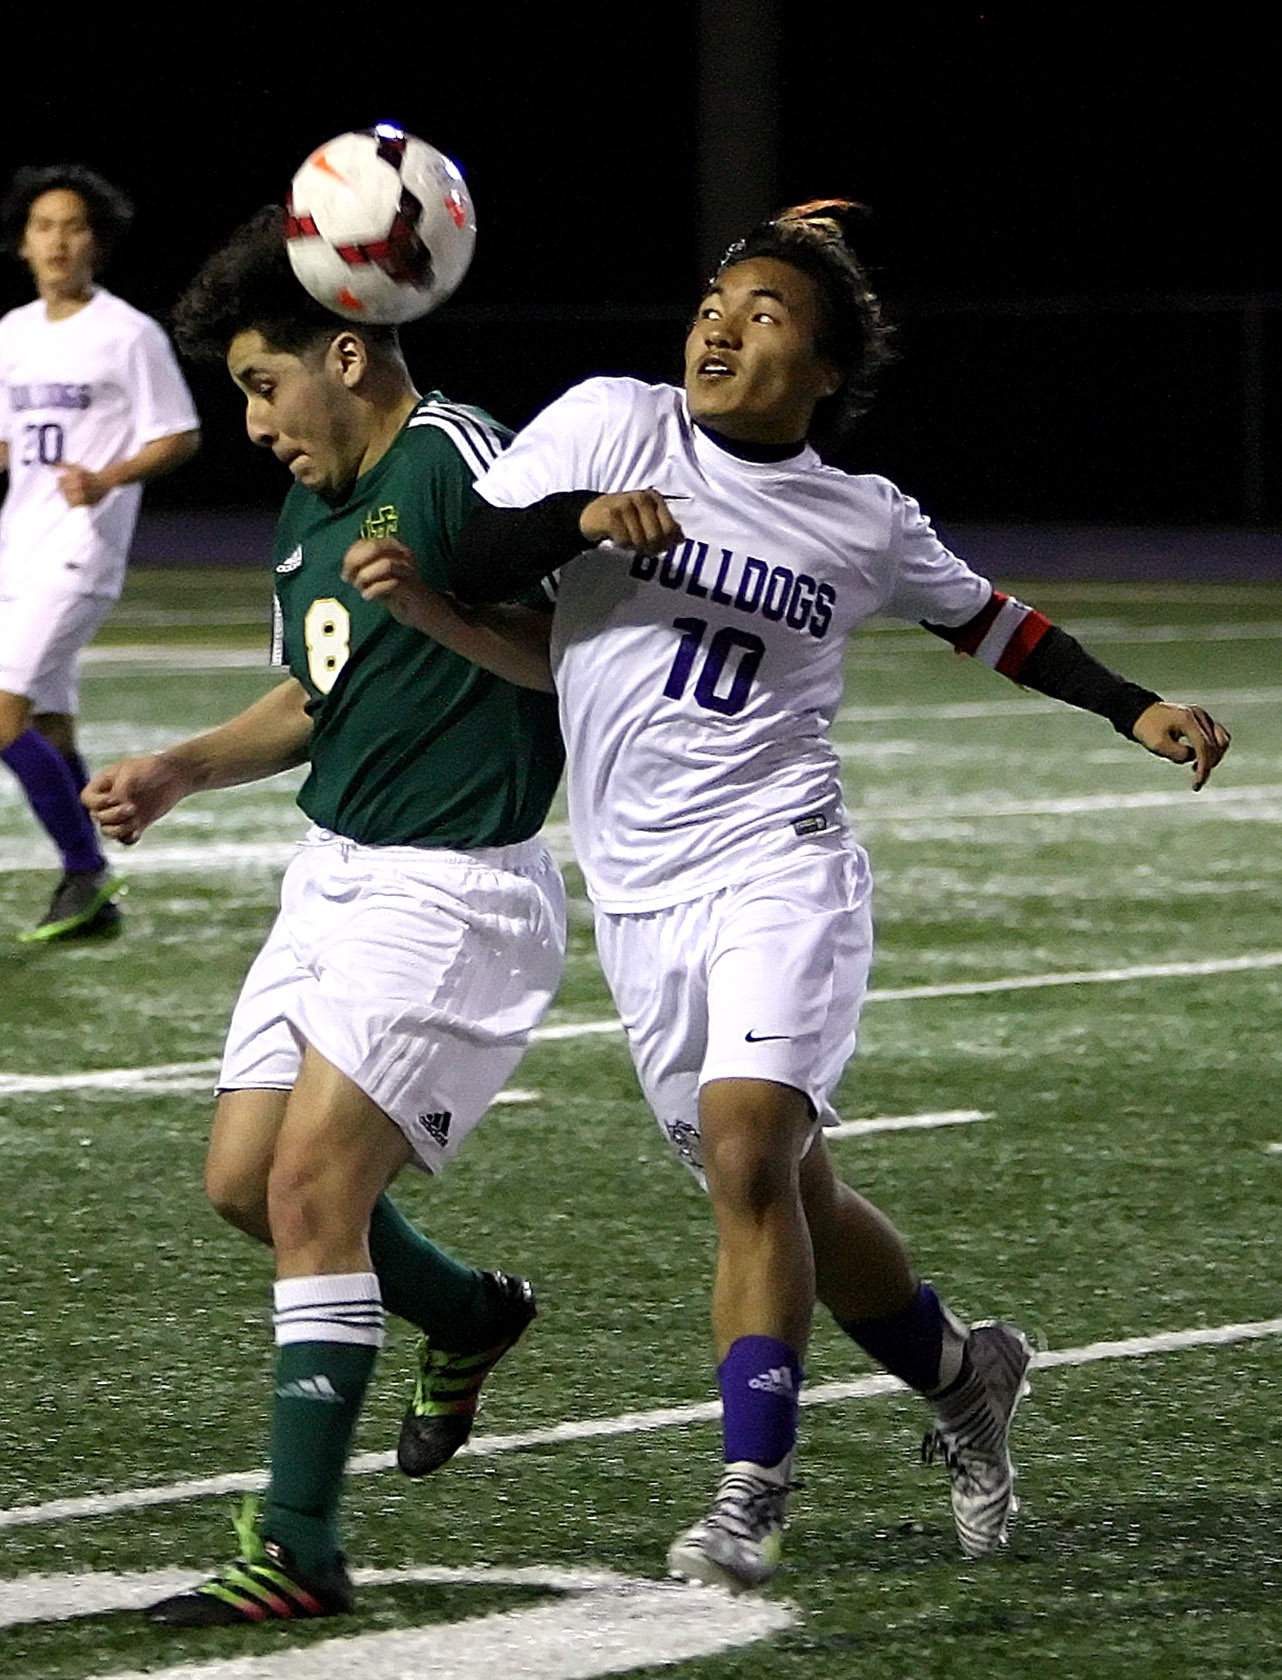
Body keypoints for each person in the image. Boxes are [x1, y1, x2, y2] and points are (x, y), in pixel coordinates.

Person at [344, 200, 1231, 1591]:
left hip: (780, 863)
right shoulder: (609, 421)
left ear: (821, 373)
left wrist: (1133, 710)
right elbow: (478, 559)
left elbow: (988, 620)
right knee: (793, 1195)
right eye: (716, 300)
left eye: (765, 313)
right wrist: (579, 518)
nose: (722, 322)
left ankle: (748, 1490)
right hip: (638, 898)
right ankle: (961, 1373)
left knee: (750, 1151)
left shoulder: (860, 517)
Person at [82, 206, 566, 1626]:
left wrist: (436, 606)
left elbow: (573, 652)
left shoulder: (458, 460)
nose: (251, 423)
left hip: (459, 888)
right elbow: (312, 698)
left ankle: (297, 1544)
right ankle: (471, 1315)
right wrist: (181, 766)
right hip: (334, 877)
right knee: (245, 1182)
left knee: (312, 1194)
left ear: (344, 353)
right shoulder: (307, 517)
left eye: (258, 384)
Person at [0, 164, 200, 941]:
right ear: (22, 242)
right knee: (47, 729)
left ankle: (85, 869)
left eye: (73, 226)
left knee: (3, 717)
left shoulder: (128, 334)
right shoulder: (12, 334)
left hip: (81, 554)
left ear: (98, 244)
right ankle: (94, 896)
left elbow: (179, 434)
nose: (57, 240)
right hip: (18, 547)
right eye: (42, 226)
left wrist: (109, 476)